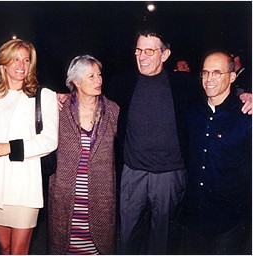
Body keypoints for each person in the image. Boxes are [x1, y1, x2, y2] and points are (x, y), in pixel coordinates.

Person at [103, 27, 252, 254]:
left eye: (149, 51)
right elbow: (90, 96)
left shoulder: (184, 84)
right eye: (138, 50)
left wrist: (245, 93)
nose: (142, 56)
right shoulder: (121, 83)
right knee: (127, 239)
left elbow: (216, 88)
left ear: (164, 55)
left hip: (170, 177)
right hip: (133, 175)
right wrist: (62, 96)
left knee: (163, 243)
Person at [0, 38, 58, 255]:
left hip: (25, 185)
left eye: (26, 60)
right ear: (4, 64)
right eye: (15, 59)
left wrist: (10, 147)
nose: (21, 65)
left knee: (19, 251)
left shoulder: (42, 96)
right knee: (4, 247)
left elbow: (49, 140)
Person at [48, 55, 119, 254]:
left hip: (100, 197)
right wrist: (52, 97)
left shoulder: (112, 111)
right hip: (66, 196)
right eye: (91, 76)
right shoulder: (58, 110)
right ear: (76, 82)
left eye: (99, 74)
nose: (99, 81)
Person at [183, 51, 252, 254]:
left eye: (216, 73)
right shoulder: (191, 112)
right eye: (205, 73)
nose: (209, 79)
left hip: (230, 222)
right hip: (193, 218)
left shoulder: (246, 115)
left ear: (232, 77)